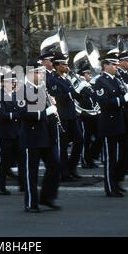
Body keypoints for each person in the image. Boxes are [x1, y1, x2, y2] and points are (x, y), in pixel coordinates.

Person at [19, 60, 61, 213]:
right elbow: (23, 113)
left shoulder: (43, 89)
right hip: (32, 136)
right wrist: (44, 113)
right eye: (39, 72)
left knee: (55, 165)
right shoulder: (22, 90)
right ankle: (31, 202)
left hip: (46, 135)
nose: (42, 74)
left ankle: (47, 197)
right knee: (32, 171)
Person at [93, 50, 128, 197]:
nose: (117, 66)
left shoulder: (117, 79)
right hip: (109, 124)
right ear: (105, 65)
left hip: (121, 122)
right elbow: (104, 104)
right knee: (111, 158)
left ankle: (117, 180)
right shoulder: (100, 81)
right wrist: (124, 99)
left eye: (117, 64)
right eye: (114, 64)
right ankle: (110, 187)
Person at [49, 52, 84, 180]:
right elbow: (57, 98)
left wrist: (84, 89)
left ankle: (71, 167)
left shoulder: (66, 79)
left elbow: (76, 96)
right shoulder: (53, 80)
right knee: (62, 146)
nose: (66, 66)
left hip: (71, 115)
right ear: (56, 65)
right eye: (63, 64)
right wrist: (74, 92)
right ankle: (63, 173)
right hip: (62, 116)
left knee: (80, 140)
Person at [0, 70, 23, 195]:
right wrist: (17, 115)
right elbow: (1, 115)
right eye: (10, 81)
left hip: (17, 132)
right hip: (4, 134)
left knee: (22, 160)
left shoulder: (17, 95)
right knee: (3, 161)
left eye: (14, 81)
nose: (13, 83)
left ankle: (23, 185)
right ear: (2, 83)